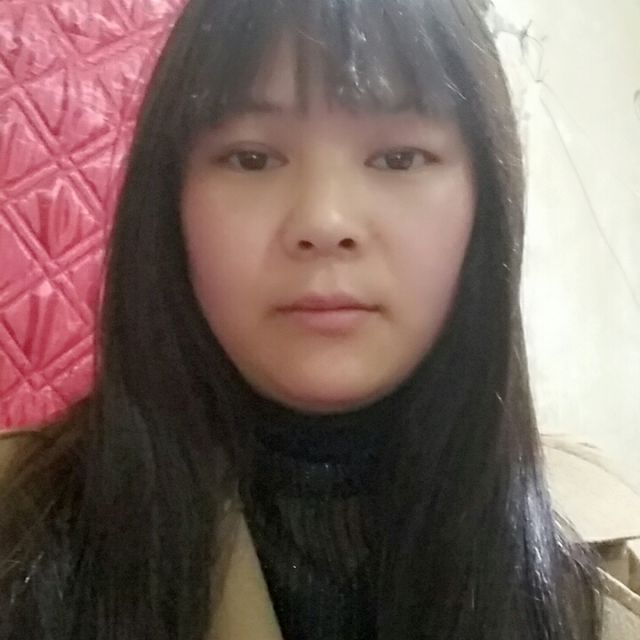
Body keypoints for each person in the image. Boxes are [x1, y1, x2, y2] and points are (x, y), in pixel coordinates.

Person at [1, 0, 639, 638]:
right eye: (252, 158)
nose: (324, 220)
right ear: (170, 204)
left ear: (485, 204)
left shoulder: (603, 561)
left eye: (399, 158)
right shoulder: (20, 529)